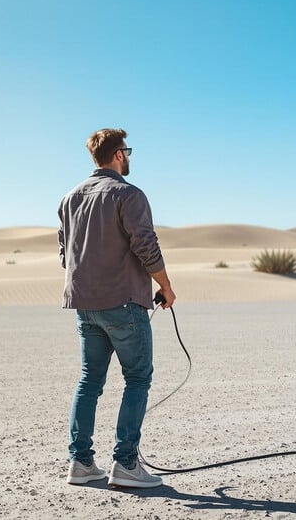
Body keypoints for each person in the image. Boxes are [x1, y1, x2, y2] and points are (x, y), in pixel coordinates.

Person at [58, 128, 176, 489]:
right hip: (124, 303)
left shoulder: (70, 198)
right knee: (137, 378)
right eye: (128, 151)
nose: (129, 156)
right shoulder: (129, 194)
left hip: (84, 304)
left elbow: (66, 253)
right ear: (119, 154)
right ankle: (125, 464)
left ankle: (80, 463)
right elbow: (146, 246)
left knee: (89, 381)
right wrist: (165, 286)